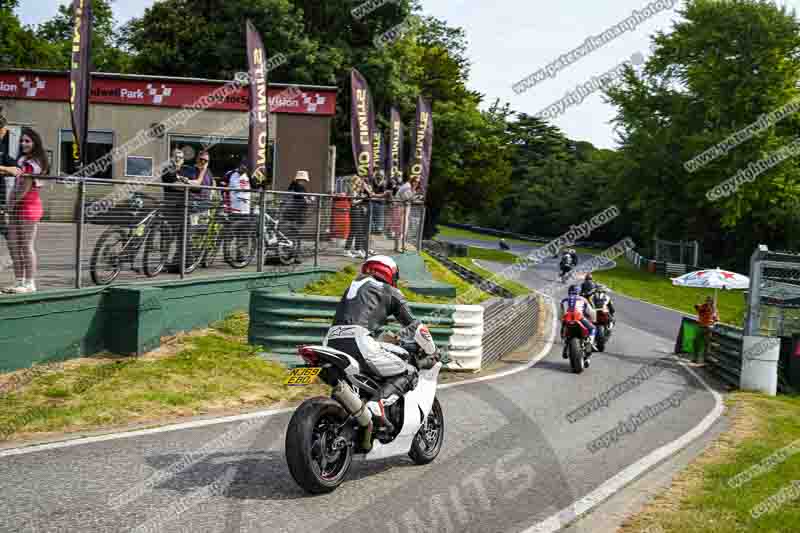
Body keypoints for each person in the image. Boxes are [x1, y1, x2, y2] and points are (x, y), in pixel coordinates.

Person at [323, 255, 437, 405]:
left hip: (330, 342)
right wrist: (431, 350)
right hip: (358, 343)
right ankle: (377, 405)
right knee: (408, 371)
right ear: (388, 272)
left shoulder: (351, 288)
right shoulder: (388, 290)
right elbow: (415, 326)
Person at [3, 127, 48, 294]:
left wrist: (10, 204)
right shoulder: (22, 159)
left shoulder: (34, 162)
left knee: (26, 245)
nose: (23, 143)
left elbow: (25, 188)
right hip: (16, 207)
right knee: (14, 245)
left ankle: (30, 283)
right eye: (22, 140)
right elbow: (16, 186)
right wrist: (10, 203)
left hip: (28, 207)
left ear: (35, 142)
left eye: (27, 141)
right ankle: (19, 281)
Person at [285, 170, 313, 264]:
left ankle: (290, 254)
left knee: (289, 235)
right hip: (298, 215)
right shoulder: (300, 188)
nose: (305, 182)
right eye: (304, 180)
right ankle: (296, 255)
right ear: (302, 179)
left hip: (288, 214)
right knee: (297, 235)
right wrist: (309, 200)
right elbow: (304, 201)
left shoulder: (291, 187)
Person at [560, 284, 598, 353]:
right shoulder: (583, 299)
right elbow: (591, 312)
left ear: (569, 291)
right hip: (579, 317)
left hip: (567, 318)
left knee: (563, 331)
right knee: (593, 328)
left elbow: (561, 314)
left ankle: (565, 345)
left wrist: (562, 321)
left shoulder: (563, 300)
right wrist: (593, 320)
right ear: (579, 291)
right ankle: (590, 343)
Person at [345, 174, 373, 258]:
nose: (360, 183)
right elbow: (353, 202)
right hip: (354, 211)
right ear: (354, 182)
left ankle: (357, 249)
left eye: (360, 182)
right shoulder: (352, 190)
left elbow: (370, 193)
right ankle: (347, 249)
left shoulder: (358, 190)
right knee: (353, 230)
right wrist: (362, 198)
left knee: (359, 231)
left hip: (358, 210)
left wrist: (363, 192)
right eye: (358, 181)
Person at [694, 296, 718, 363]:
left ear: (712, 301)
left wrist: (713, 320)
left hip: (708, 328)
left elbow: (716, 319)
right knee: (696, 342)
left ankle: (705, 360)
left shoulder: (713, 309)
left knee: (707, 345)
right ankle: (696, 358)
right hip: (701, 327)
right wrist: (697, 305)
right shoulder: (703, 306)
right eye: (707, 300)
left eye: (709, 301)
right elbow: (697, 307)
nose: (708, 301)